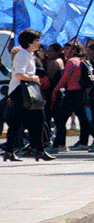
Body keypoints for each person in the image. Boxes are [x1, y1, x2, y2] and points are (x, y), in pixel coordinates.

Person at [4, 29, 52, 162]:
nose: (39, 43)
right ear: (29, 42)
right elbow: (19, 74)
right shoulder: (23, 55)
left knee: (32, 120)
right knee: (22, 120)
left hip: (25, 91)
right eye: (36, 40)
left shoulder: (29, 55)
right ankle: (34, 150)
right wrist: (34, 78)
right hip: (20, 91)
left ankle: (36, 150)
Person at [50, 41, 94, 153]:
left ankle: (56, 146)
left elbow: (65, 78)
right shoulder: (82, 60)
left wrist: (55, 90)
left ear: (74, 50)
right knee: (84, 120)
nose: (64, 51)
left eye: (67, 49)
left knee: (61, 120)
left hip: (73, 93)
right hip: (81, 93)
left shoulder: (71, 61)